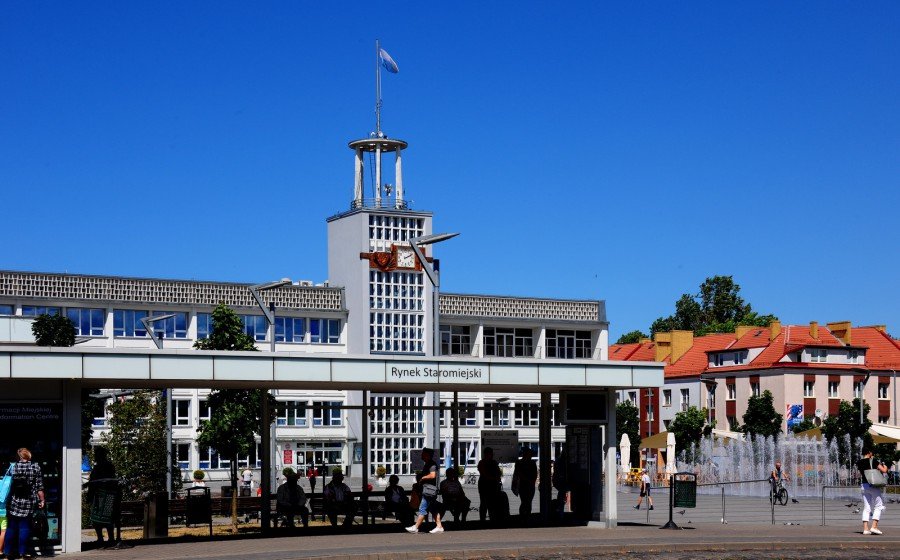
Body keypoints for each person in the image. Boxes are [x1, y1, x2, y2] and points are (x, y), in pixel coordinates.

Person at [4, 448, 44, 560]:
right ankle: (23, 554)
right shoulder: (35, 467)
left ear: (18, 456)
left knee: (11, 528)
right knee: (24, 528)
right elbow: (39, 487)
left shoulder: (13, 467)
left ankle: (7, 553)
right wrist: (42, 500)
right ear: (28, 455)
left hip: (13, 501)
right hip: (28, 501)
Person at [406, 448, 445, 534]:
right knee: (433, 509)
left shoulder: (431, 465)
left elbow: (432, 475)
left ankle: (415, 527)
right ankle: (439, 526)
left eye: (423, 454)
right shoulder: (428, 464)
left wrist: (423, 477)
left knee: (422, 508)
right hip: (428, 490)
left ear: (427, 455)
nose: (421, 455)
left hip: (429, 490)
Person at [86, 447, 117, 546]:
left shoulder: (106, 466)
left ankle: (109, 538)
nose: (95, 457)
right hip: (100, 496)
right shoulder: (100, 466)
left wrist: (90, 494)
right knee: (97, 519)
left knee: (106, 518)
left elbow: (107, 480)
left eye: (97, 454)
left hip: (105, 496)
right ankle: (102, 538)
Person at [858, 447, 888, 535]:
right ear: (869, 452)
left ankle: (865, 529)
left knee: (867, 507)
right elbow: (884, 470)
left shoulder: (859, 462)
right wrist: (885, 466)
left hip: (864, 485)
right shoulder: (873, 461)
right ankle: (874, 527)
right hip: (873, 485)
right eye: (872, 452)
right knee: (879, 505)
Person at [512, 448, 538, 520]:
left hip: (527, 485)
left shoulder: (530, 463)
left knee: (527, 501)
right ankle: (525, 516)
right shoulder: (520, 463)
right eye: (530, 454)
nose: (531, 456)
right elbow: (519, 474)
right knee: (525, 501)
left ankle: (526, 516)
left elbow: (535, 474)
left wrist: (531, 481)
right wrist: (530, 480)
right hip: (524, 485)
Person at [477, 447, 502, 521]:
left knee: (492, 503)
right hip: (484, 485)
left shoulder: (494, 462)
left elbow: (498, 472)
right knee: (484, 503)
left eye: (491, 453)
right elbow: (484, 474)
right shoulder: (482, 462)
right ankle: (482, 519)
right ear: (486, 454)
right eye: (490, 453)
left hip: (493, 485)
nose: (491, 455)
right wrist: (495, 478)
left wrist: (497, 478)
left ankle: (493, 518)